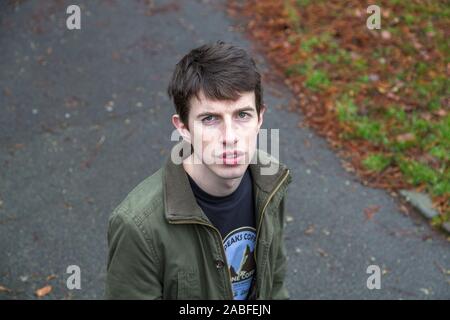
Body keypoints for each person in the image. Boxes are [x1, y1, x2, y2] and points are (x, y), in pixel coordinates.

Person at [105, 40, 292, 299]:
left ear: (260, 118)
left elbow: (275, 284)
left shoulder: (271, 184)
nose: (230, 137)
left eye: (242, 115)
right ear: (183, 127)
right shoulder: (138, 227)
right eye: (210, 119)